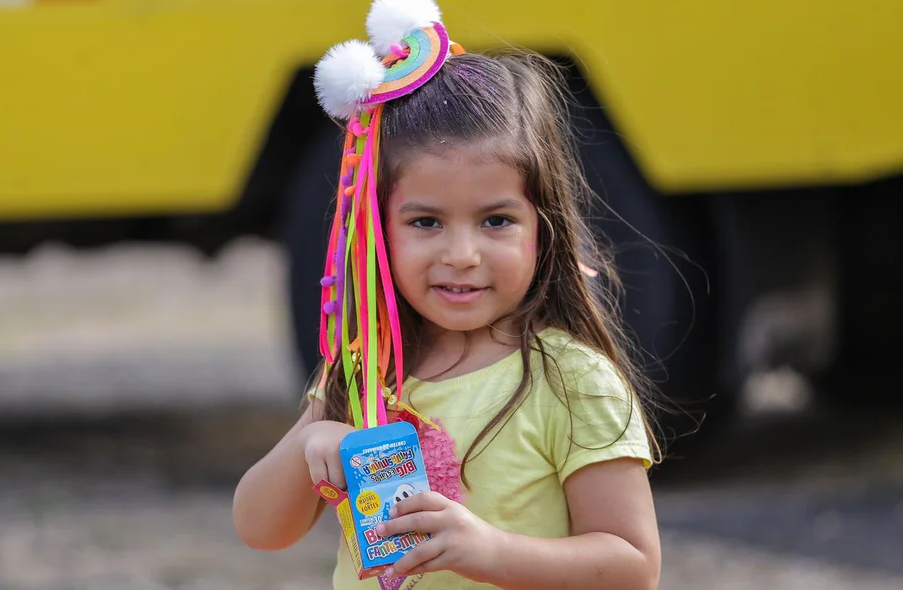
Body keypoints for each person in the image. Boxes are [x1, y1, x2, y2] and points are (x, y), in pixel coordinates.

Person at [234, 1, 662, 588]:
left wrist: (490, 550)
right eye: (426, 223)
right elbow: (260, 528)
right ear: (376, 231)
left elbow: (633, 566)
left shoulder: (571, 379)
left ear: (546, 226)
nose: (462, 254)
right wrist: (312, 437)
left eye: (496, 221)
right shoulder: (364, 374)